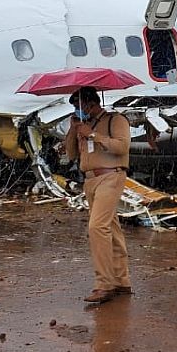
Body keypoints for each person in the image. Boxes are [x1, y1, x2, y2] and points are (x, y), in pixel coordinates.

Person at [64, 86, 132, 305]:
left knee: (97, 227)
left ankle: (104, 284)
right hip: (91, 180)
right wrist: (74, 130)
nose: (78, 109)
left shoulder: (115, 120)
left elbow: (122, 147)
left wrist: (93, 135)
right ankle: (122, 280)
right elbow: (71, 154)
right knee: (111, 228)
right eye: (75, 106)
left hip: (111, 177)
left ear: (92, 103)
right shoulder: (83, 125)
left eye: (80, 105)